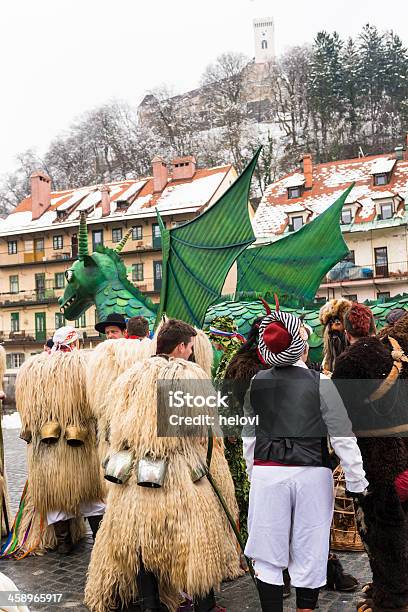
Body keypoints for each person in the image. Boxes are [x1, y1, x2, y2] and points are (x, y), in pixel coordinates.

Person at [85, 318, 240, 612]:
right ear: (181, 347)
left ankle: (150, 604)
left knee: (143, 542)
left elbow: (115, 428)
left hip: (136, 480)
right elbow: (200, 431)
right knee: (195, 543)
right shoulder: (189, 375)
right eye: (191, 347)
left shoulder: (129, 378)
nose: (192, 353)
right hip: (180, 477)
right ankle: (203, 605)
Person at [242, 308, 368, 612]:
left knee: (268, 553)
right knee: (310, 549)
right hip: (312, 474)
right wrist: (356, 480)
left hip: (268, 472)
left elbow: (249, 436)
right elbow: (342, 434)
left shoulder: (257, 382)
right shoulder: (320, 381)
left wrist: (253, 473)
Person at [332, 303, 408, 612]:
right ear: (373, 326)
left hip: (374, 460)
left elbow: (340, 418)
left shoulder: (346, 363)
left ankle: (393, 599)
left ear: (346, 331)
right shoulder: (395, 353)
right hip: (403, 453)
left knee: (381, 532)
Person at [4, 326, 105, 557]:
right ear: (75, 343)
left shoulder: (33, 369)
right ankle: (99, 541)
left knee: (56, 498)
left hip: (47, 447)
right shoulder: (83, 367)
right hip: (80, 445)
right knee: (91, 495)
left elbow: (27, 411)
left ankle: (64, 543)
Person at [319, 298, 351, 373]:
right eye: (330, 322)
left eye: (337, 321)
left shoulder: (354, 355)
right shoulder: (327, 359)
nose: (333, 325)